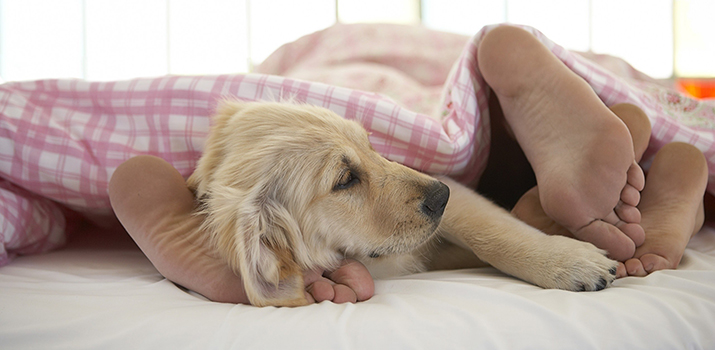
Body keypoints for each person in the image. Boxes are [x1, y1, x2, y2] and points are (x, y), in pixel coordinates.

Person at [107, 25, 707, 304]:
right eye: (347, 178)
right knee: (491, 199)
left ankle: (566, 143)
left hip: (381, 76)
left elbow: (443, 189)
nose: (422, 188)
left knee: (458, 168)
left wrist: (531, 257)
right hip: (251, 216)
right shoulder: (263, 200)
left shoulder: (275, 123)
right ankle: (644, 192)